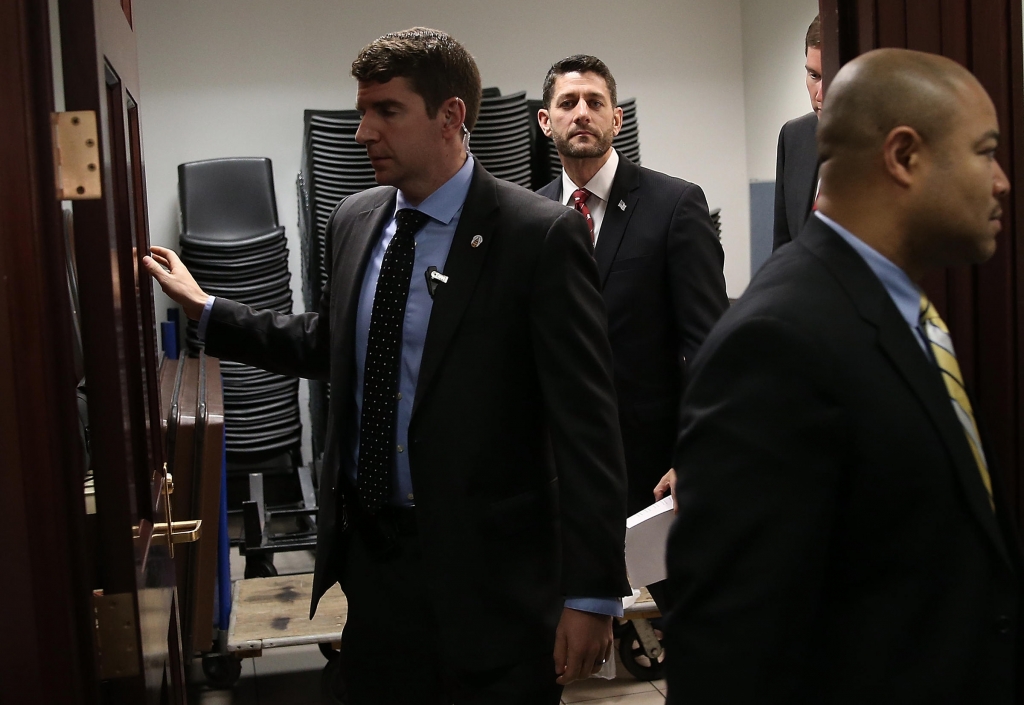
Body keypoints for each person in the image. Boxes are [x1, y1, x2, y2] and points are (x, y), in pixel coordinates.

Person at [145, 28, 629, 705]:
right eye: (361, 110)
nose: (361, 131)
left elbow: (588, 426)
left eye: (386, 111)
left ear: (451, 116)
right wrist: (209, 311)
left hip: (493, 581)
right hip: (376, 568)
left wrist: (593, 592)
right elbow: (330, 343)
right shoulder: (355, 218)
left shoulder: (536, 236)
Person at [664, 48, 1022, 704]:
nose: (1001, 181)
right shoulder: (779, 339)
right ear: (904, 157)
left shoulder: (893, 303)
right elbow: (730, 645)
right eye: (984, 152)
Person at [536, 55, 728, 520]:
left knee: (690, 596)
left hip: (659, 472)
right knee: (575, 597)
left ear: (617, 119)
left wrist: (695, 454)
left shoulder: (675, 205)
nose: (581, 112)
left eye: (595, 102)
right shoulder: (529, 217)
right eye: (568, 102)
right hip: (562, 471)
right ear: (546, 121)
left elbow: (711, 346)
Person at [773, 14, 823, 251]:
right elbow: (782, 249)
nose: (820, 94)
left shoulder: (882, 145)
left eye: (831, 77)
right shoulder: (794, 137)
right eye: (814, 76)